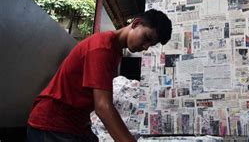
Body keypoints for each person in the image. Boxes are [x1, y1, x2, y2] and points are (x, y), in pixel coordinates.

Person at [27, 9, 172, 142]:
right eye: (147, 38)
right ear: (135, 23)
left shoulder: (115, 51)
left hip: (75, 125)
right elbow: (103, 106)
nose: (146, 47)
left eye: (151, 44)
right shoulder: (103, 47)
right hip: (52, 124)